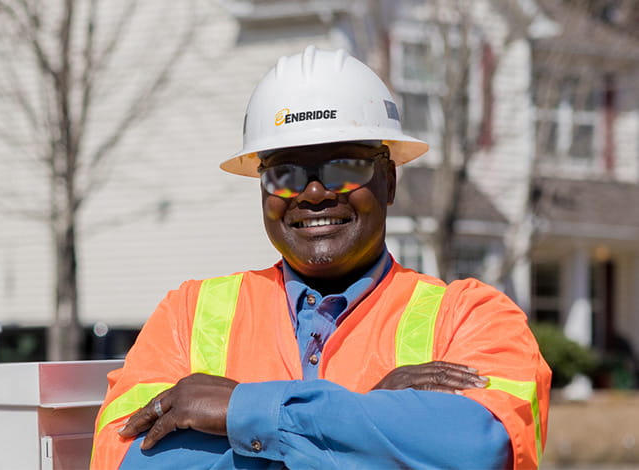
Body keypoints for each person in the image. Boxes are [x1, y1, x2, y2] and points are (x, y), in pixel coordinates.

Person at [91, 46, 551, 469]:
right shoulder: (189, 315)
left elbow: (477, 449)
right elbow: (127, 459)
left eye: (345, 166)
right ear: (263, 189)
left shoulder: (472, 316)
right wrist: (369, 417)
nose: (313, 194)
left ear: (389, 181)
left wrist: (246, 412)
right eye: (286, 172)